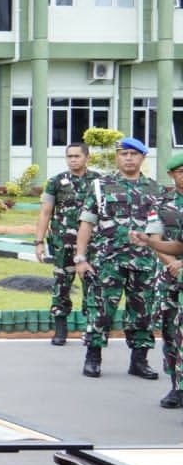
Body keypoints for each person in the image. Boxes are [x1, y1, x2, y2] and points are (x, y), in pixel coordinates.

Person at [74, 136, 165, 380]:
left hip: (145, 263)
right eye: (123, 154)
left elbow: (161, 228)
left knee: (143, 312)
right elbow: (86, 223)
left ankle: (139, 361)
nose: (128, 158)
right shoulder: (101, 186)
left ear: (142, 158)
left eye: (133, 154)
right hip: (109, 262)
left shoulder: (155, 189)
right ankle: (93, 358)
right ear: (117, 157)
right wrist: (81, 258)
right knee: (101, 310)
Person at [34, 142, 96, 346]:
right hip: (63, 244)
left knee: (92, 285)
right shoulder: (56, 181)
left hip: (92, 245)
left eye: (77, 156)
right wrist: (38, 241)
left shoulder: (99, 181)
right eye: (69, 156)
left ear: (87, 157)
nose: (73, 160)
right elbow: (45, 212)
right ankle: (60, 329)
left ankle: (91, 329)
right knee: (61, 284)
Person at [142, 152, 183, 407]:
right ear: (171, 175)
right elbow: (155, 241)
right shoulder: (161, 203)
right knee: (171, 332)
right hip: (171, 279)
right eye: (180, 172)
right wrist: (174, 266)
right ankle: (177, 385)